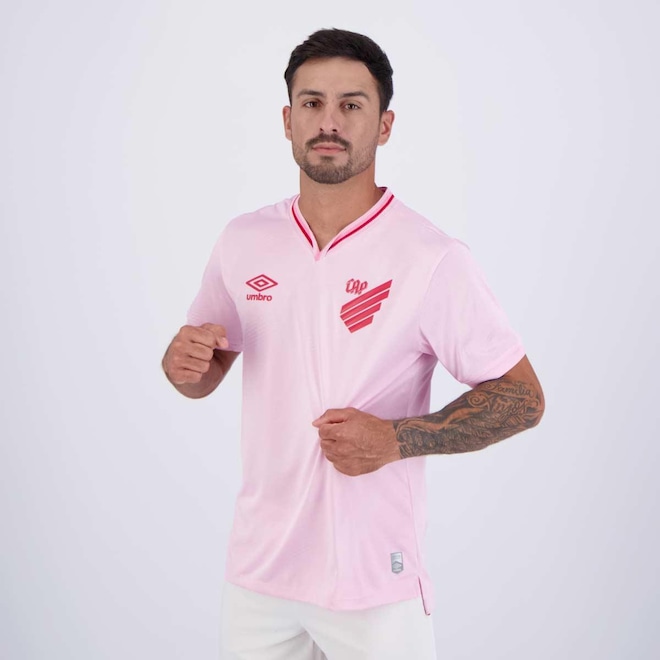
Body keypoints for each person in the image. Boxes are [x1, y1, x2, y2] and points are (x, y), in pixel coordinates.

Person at [162, 27, 544, 660]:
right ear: (287, 120)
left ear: (385, 125)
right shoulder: (242, 240)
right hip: (259, 573)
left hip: (373, 579)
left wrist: (395, 438)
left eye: (351, 105)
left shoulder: (431, 258)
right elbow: (201, 373)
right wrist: (182, 363)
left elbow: (523, 398)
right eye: (312, 103)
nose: (329, 122)